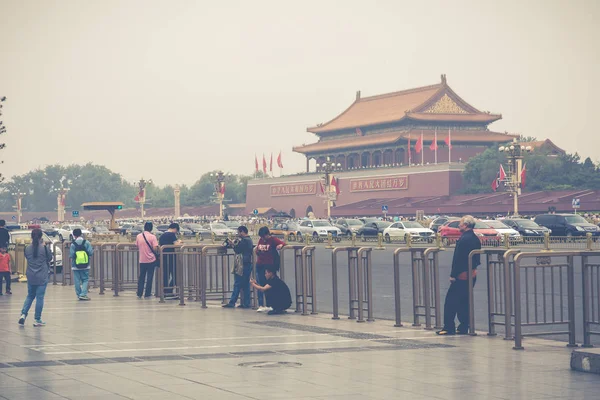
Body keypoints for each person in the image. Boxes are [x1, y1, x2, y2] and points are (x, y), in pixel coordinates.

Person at [437, 215, 481, 335]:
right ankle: (463, 326)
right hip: (472, 273)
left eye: (461, 223)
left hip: (462, 275)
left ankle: (448, 327)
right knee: (464, 301)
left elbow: (458, 259)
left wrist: (453, 275)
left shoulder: (463, 239)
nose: (459, 225)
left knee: (451, 302)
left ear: (466, 225)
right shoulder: (475, 238)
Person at [18, 229, 52, 326]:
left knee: (30, 296)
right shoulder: (44, 248)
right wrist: (45, 246)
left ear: (31, 237)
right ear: (41, 237)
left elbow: (27, 257)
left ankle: (23, 314)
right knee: (39, 297)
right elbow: (49, 258)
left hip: (31, 275)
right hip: (42, 276)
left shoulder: (27, 248)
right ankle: (37, 319)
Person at [222, 226, 254, 308]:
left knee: (237, 283)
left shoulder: (244, 241)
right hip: (247, 263)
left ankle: (232, 302)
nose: (238, 234)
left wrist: (232, 244)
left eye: (239, 232)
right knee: (246, 284)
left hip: (242, 264)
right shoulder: (249, 240)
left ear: (242, 232)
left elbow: (238, 250)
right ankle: (246, 303)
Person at [255, 227, 285, 312]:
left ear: (268, 234)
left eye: (264, 236)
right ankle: (261, 304)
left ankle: (270, 304)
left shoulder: (273, 240)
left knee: (269, 285)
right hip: (260, 264)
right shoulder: (261, 240)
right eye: (261, 237)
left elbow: (282, 244)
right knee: (260, 283)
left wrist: (280, 246)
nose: (263, 239)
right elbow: (257, 249)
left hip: (269, 265)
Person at [136, 222, 159, 299]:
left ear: (144, 227)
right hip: (151, 260)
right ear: (151, 228)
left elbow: (137, 245)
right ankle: (147, 293)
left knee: (141, 277)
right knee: (150, 277)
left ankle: (139, 292)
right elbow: (155, 248)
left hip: (142, 260)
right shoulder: (153, 237)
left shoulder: (139, 236)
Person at [69, 228, 94, 301]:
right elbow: (90, 252)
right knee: (85, 279)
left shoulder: (73, 244)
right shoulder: (86, 242)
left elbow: (71, 255)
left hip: (75, 265)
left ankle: (79, 294)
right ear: (81, 234)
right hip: (85, 265)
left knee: (77, 280)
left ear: (74, 235)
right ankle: (83, 294)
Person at [159, 223, 182, 299]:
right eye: (177, 231)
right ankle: (169, 290)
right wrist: (180, 242)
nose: (176, 232)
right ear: (175, 228)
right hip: (171, 257)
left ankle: (165, 292)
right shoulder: (171, 235)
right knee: (175, 275)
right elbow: (176, 245)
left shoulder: (162, 235)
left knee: (165, 275)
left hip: (163, 257)